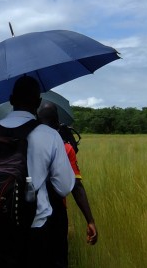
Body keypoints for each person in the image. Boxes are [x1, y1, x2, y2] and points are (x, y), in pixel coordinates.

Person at [0, 76, 76, 268]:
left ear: (10, 100)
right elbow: (64, 187)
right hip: (35, 233)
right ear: (38, 102)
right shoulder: (50, 135)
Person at [36, 102, 99, 262]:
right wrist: (90, 220)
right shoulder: (66, 148)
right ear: (57, 122)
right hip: (57, 212)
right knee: (58, 258)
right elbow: (76, 187)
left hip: (30, 213)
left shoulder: (26, 144)